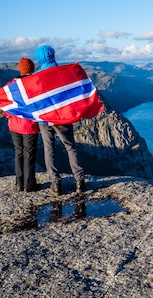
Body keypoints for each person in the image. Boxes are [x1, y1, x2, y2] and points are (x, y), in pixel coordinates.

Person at [0, 58, 40, 192]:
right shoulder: (34, 84)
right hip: (29, 125)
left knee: (19, 153)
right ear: (32, 69)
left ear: (20, 70)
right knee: (29, 154)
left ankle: (19, 183)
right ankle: (29, 185)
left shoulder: (11, 85)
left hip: (14, 125)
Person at [34, 45, 86, 195]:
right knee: (70, 147)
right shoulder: (64, 73)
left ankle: (55, 183)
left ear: (39, 59)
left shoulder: (35, 78)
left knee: (49, 148)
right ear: (53, 55)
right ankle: (80, 181)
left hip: (44, 118)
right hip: (62, 117)